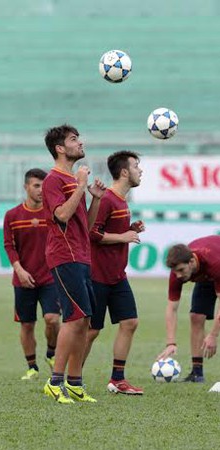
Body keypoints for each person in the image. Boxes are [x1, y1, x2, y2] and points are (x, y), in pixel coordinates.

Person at [41, 124, 106, 404]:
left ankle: (76, 383)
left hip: (81, 255)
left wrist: (95, 200)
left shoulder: (71, 180)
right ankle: (55, 382)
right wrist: (80, 186)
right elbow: (61, 216)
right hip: (64, 255)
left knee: (86, 321)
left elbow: (84, 225)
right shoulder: (54, 180)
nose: (81, 143)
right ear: (59, 148)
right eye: (73, 139)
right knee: (74, 318)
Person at [85, 151, 145, 395]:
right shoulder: (108, 198)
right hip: (97, 276)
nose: (140, 171)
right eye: (136, 166)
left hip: (117, 275)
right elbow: (93, 234)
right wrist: (123, 236)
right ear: (124, 172)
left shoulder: (122, 200)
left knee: (130, 322)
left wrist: (130, 229)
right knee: (91, 331)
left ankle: (117, 379)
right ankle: (69, 379)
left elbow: (111, 231)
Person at [3, 168, 60, 380]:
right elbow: (9, 245)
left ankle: (52, 353)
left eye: (44, 186)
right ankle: (32, 367)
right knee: (27, 324)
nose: (40, 190)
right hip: (23, 279)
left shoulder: (53, 213)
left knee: (52, 319)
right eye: (36, 185)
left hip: (50, 278)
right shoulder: (12, 215)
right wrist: (19, 269)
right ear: (26, 186)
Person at [157, 236, 220, 382]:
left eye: (181, 270)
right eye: (175, 271)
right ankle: (197, 373)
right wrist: (171, 342)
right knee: (196, 317)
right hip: (205, 277)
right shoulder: (177, 273)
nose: (178, 275)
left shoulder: (215, 263)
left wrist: (213, 335)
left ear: (191, 262)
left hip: (216, 268)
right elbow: (171, 308)